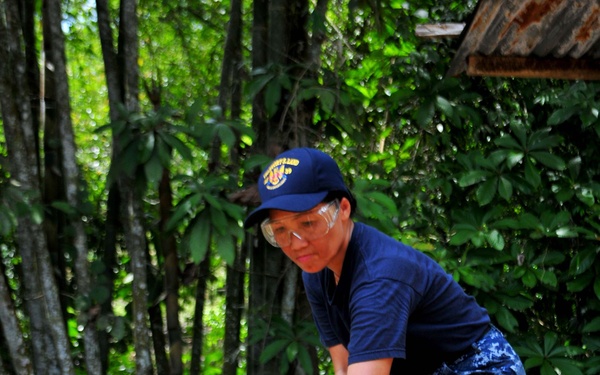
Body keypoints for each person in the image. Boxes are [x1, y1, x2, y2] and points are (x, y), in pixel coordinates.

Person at [244, 147, 526, 375]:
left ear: (342, 209)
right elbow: (343, 367)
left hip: (480, 365)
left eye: (308, 222)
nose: (297, 243)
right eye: (279, 231)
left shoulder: (380, 276)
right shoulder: (316, 271)